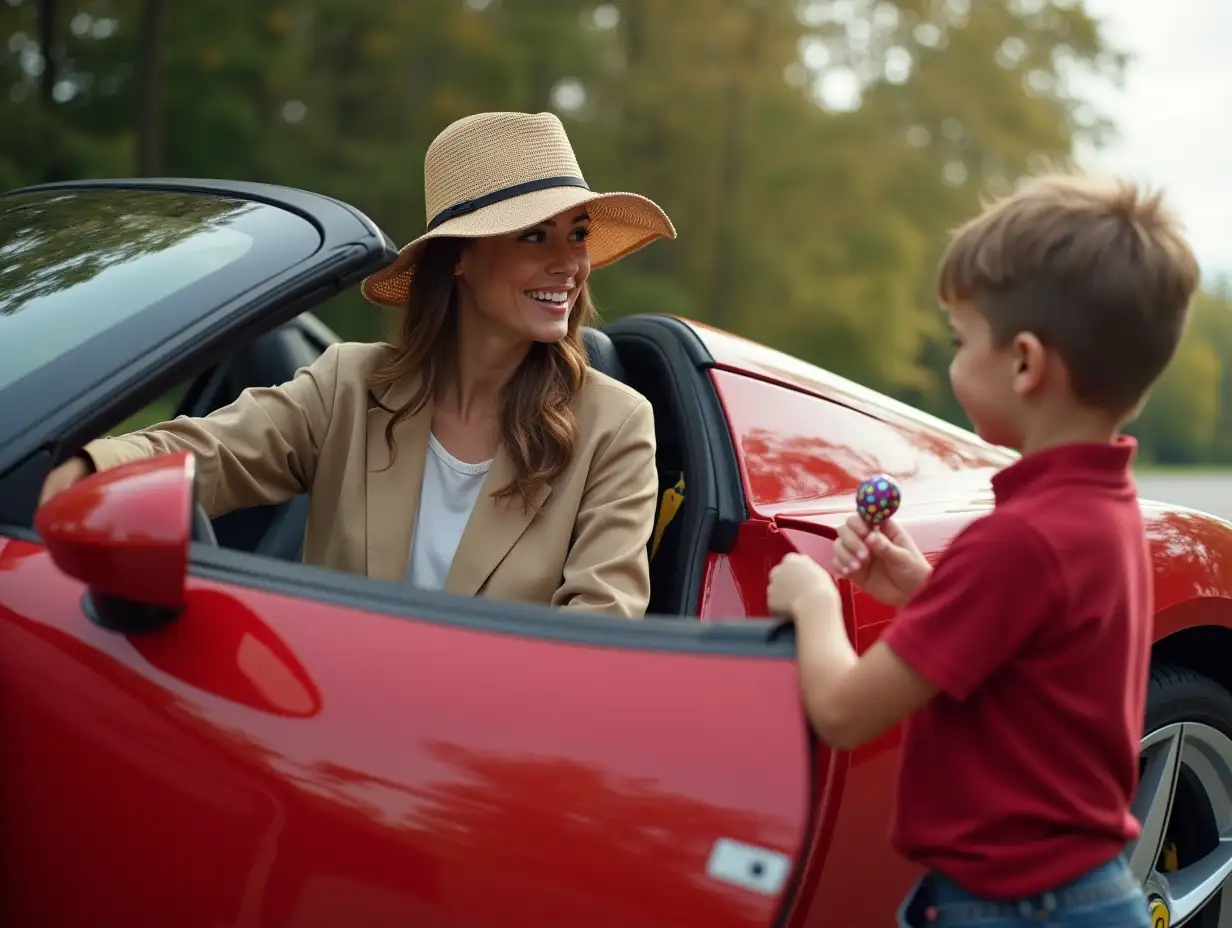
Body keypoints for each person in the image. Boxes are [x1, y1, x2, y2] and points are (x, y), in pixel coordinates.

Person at [766, 173, 1199, 926]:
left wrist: (809, 602)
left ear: (1026, 363)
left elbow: (842, 712)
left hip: (1007, 911)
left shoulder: (1016, 541)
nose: (952, 363)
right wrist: (921, 589)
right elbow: (1031, 649)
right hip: (1086, 896)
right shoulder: (1104, 509)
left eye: (962, 341)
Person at [39, 111, 677, 618]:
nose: (570, 263)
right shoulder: (351, 386)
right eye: (535, 235)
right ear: (460, 258)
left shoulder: (614, 426)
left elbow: (599, 635)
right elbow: (206, 453)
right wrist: (83, 470)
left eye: (579, 233)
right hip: (325, 740)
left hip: (489, 760)